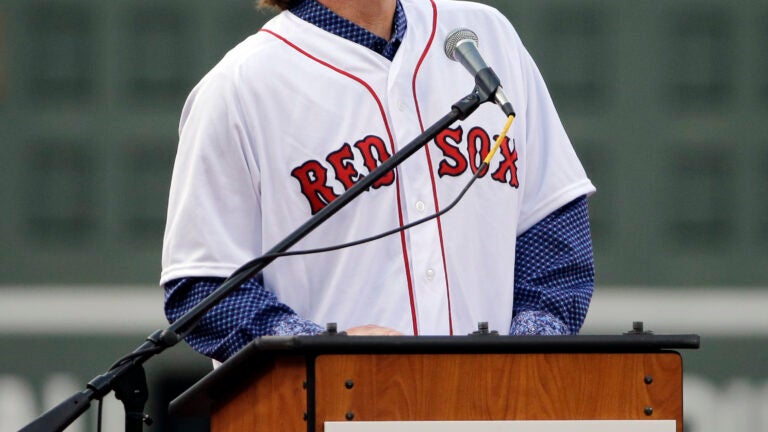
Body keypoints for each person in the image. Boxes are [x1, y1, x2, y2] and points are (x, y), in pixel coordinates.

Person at [161, 0, 596, 363]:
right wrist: (321, 351)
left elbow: (553, 226)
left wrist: (527, 350)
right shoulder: (239, 86)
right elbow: (203, 287)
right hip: (326, 413)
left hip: (492, 410)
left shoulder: (485, 36)